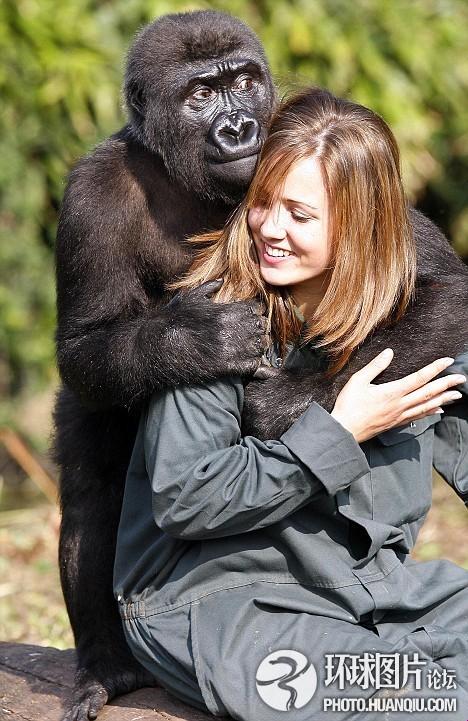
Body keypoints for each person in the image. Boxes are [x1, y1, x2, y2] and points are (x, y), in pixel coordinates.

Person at [113, 88, 468, 720]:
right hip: (222, 602)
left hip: (362, 589)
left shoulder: (415, 317)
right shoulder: (212, 325)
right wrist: (341, 431)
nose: (270, 229)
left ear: (359, 226)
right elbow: (186, 496)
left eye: (298, 215)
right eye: (262, 204)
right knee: (420, 704)